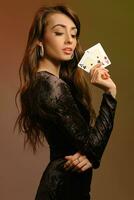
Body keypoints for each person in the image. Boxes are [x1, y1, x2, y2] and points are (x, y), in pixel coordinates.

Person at [15, 5, 117, 200]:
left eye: (74, 34)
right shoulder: (51, 85)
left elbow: (88, 147)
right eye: (59, 32)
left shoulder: (48, 82)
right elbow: (91, 144)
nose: (70, 39)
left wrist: (89, 155)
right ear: (39, 40)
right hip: (61, 189)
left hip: (69, 187)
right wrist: (110, 93)